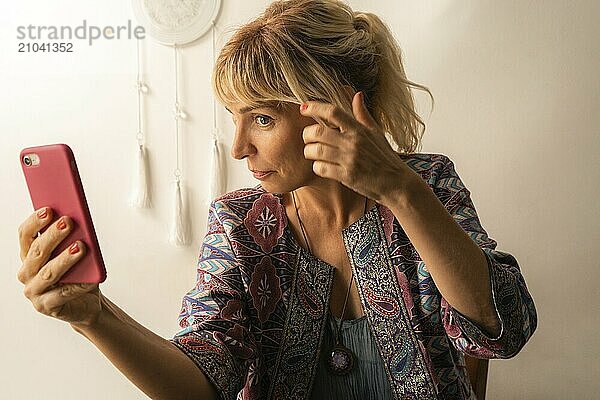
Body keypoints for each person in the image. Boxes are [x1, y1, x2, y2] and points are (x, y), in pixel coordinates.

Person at [16, 0, 537, 399]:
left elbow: (505, 330)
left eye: (263, 118)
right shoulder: (242, 223)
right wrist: (93, 316)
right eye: (236, 119)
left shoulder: (427, 185)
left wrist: (400, 189)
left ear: (331, 108)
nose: (240, 146)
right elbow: (205, 380)